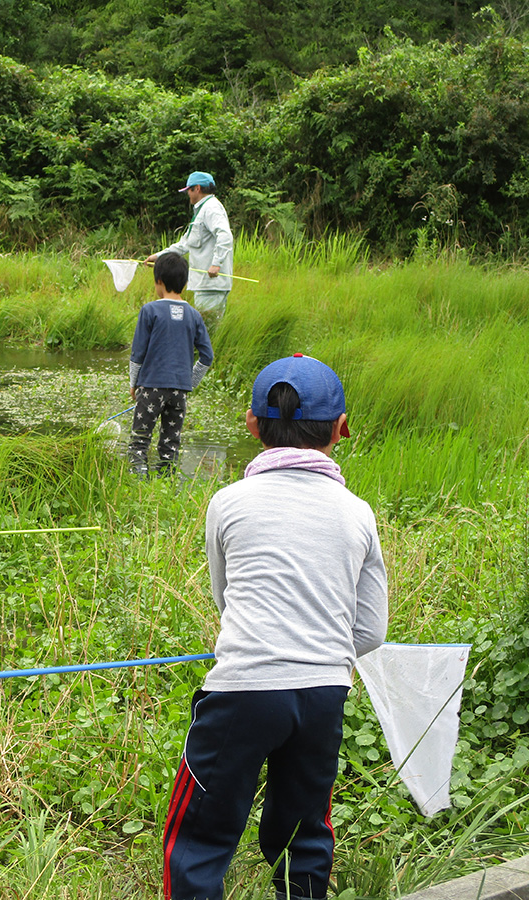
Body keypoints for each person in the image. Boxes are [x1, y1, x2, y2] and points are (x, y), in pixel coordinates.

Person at [162, 354, 388, 900]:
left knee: (199, 834)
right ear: (341, 429)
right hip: (324, 694)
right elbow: (372, 630)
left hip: (242, 692)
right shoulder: (357, 511)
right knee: (303, 831)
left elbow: (225, 599)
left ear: (252, 424)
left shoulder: (228, 502)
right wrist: (321, 650)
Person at [128, 252, 213, 477]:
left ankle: (139, 483)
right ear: (185, 283)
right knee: (170, 445)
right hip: (179, 391)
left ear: (159, 282)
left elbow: (138, 353)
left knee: (139, 441)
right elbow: (207, 356)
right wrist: (189, 382)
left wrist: (133, 384)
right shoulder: (194, 316)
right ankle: (167, 485)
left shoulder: (150, 311)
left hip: (151, 387)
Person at [146, 171, 233, 328]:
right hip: (204, 285)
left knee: (206, 330)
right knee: (206, 329)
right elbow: (184, 244)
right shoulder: (202, 210)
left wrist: (216, 264)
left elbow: (225, 235)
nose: (187, 194)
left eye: (188, 190)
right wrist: (159, 256)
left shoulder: (211, 208)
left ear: (197, 189)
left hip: (211, 285)